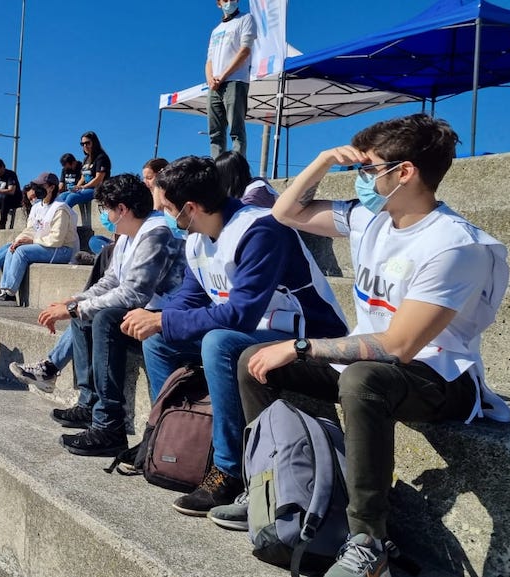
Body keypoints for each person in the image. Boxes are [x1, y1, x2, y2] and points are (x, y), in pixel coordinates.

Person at [225, 114, 510, 577]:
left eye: (369, 168)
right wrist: (320, 162)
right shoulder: (370, 218)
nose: (360, 178)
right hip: (374, 362)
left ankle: (368, 541)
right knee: (253, 359)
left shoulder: (455, 246)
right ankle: (273, 488)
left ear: (405, 172)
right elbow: (285, 213)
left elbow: (399, 345)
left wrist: (301, 347)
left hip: (442, 376)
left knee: (362, 377)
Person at [119, 155, 348, 517]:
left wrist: (163, 320)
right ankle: (164, 435)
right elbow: (190, 299)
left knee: (218, 342)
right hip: (254, 334)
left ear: (190, 208)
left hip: (308, 338)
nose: (161, 213)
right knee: (159, 340)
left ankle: (227, 471)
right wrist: (156, 317)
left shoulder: (262, 229)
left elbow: (240, 316)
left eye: (165, 207)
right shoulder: (196, 236)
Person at [37, 174, 184, 457]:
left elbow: (133, 294)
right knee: (85, 315)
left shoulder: (157, 233)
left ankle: (109, 426)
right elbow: (111, 280)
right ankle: (89, 403)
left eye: (106, 209)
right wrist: (76, 301)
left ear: (123, 209)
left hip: (165, 319)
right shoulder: (129, 236)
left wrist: (73, 308)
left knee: (104, 318)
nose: (104, 215)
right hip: (141, 313)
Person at [0, 172, 79, 306]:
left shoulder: (61, 209)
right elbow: (30, 230)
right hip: (45, 245)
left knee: (21, 252)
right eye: (35, 185)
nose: (36, 189)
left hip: (62, 250)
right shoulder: (38, 207)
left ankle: (9, 294)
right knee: (13, 247)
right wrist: (19, 241)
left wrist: (31, 241)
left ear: (51, 187)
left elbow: (57, 239)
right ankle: (3, 291)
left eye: (40, 186)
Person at [206, 0, 256, 158]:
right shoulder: (216, 30)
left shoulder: (245, 19)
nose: (230, 2)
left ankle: (237, 167)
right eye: (225, 0)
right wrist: (210, 79)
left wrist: (224, 75)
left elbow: (244, 51)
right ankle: (217, 169)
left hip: (236, 80)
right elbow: (209, 60)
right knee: (215, 132)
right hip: (215, 86)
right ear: (219, 4)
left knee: (236, 129)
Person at [58, 131, 111, 208]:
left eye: (87, 143)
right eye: (82, 144)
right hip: (85, 188)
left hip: (98, 189)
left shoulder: (101, 157)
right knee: (62, 196)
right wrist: (77, 187)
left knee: (72, 197)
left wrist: (84, 187)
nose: (85, 146)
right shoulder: (86, 159)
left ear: (94, 142)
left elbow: (99, 179)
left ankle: (63, 218)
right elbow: (83, 177)